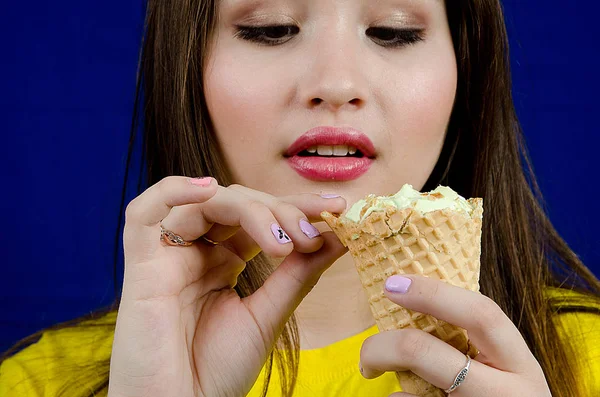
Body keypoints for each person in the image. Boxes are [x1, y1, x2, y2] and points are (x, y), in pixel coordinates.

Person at [1, 0, 599, 396]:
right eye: (270, 29)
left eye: (394, 31)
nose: (335, 85)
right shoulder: (33, 384)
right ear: (186, 66)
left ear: (465, 66)